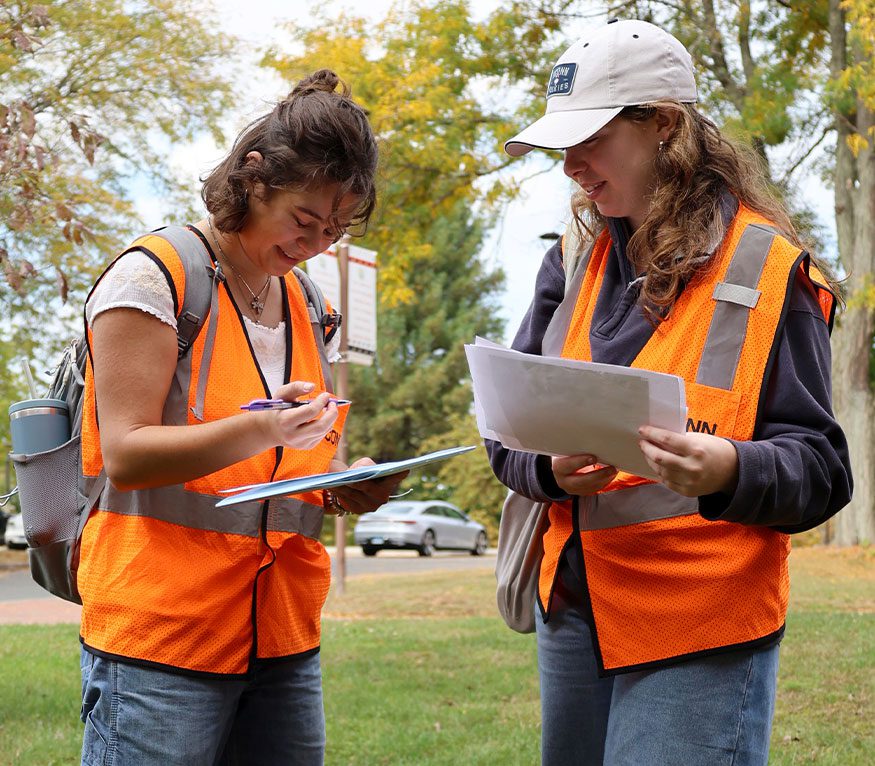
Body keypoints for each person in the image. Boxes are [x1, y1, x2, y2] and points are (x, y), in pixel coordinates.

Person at [488, 19, 852, 766]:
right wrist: (543, 471)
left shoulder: (768, 268)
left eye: (589, 141)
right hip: (574, 613)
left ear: (664, 126)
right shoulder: (571, 261)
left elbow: (821, 469)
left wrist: (727, 469)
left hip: (699, 626)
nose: (571, 167)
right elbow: (506, 430)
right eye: (562, 147)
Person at [77, 70, 405, 765]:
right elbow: (127, 454)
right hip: (160, 642)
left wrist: (344, 482)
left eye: (336, 229)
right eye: (304, 221)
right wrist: (264, 427)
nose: (316, 245)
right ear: (253, 177)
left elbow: (285, 466)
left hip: (281, 638)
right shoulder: (154, 276)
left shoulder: (311, 304)